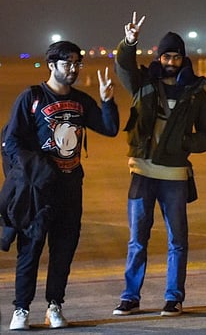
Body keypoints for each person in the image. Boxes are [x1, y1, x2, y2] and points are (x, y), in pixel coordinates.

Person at [3, 41, 118, 330]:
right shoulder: (32, 97)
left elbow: (110, 128)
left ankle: (55, 306)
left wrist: (106, 101)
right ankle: (21, 310)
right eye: (68, 63)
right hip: (38, 192)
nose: (74, 69)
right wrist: (38, 168)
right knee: (30, 250)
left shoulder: (80, 100)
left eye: (78, 63)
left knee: (63, 250)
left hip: (70, 188)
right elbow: (11, 141)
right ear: (52, 65)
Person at [114, 14, 206, 317]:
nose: (171, 60)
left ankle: (173, 297)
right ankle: (130, 297)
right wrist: (130, 42)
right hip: (142, 171)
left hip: (175, 174)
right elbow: (123, 65)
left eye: (176, 56)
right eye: (166, 55)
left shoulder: (196, 93)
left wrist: (186, 145)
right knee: (137, 239)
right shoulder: (143, 83)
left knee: (178, 240)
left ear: (183, 59)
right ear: (159, 57)